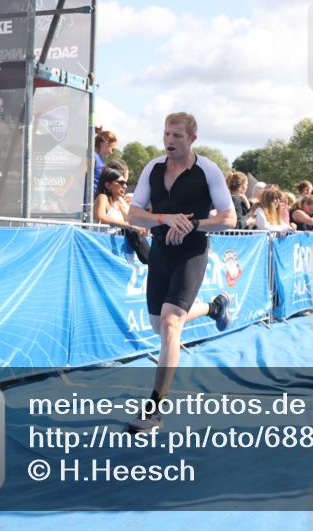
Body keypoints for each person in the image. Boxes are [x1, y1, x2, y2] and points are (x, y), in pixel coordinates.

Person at [125, 112, 237, 432]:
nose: (169, 141)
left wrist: (192, 223)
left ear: (192, 139)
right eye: (166, 135)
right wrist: (164, 219)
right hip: (161, 250)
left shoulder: (208, 171)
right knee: (159, 324)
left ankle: (154, 410)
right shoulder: (153, 168)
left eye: (176, 135)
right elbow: (134, 215)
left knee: (172, 323)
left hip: (193, 250)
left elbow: (229, 219)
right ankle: (214, 307)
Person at [95, 166, 150, 263]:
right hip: (104, 246)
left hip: (116, 248)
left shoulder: (118, 201)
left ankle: (152, 261)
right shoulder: (102, 197)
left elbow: (131, 218)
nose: (125, 186)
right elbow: (101, 217)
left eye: (125, 183)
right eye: (121, 183)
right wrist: (131, 226)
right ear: (108, 185)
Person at [93, 127, 117, 196]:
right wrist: (64, 191)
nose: (112, 153)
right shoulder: (92, 157)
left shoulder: (101, 160)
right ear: (105, 143)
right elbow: (76, 176)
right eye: (112, 149)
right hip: (87, 200)